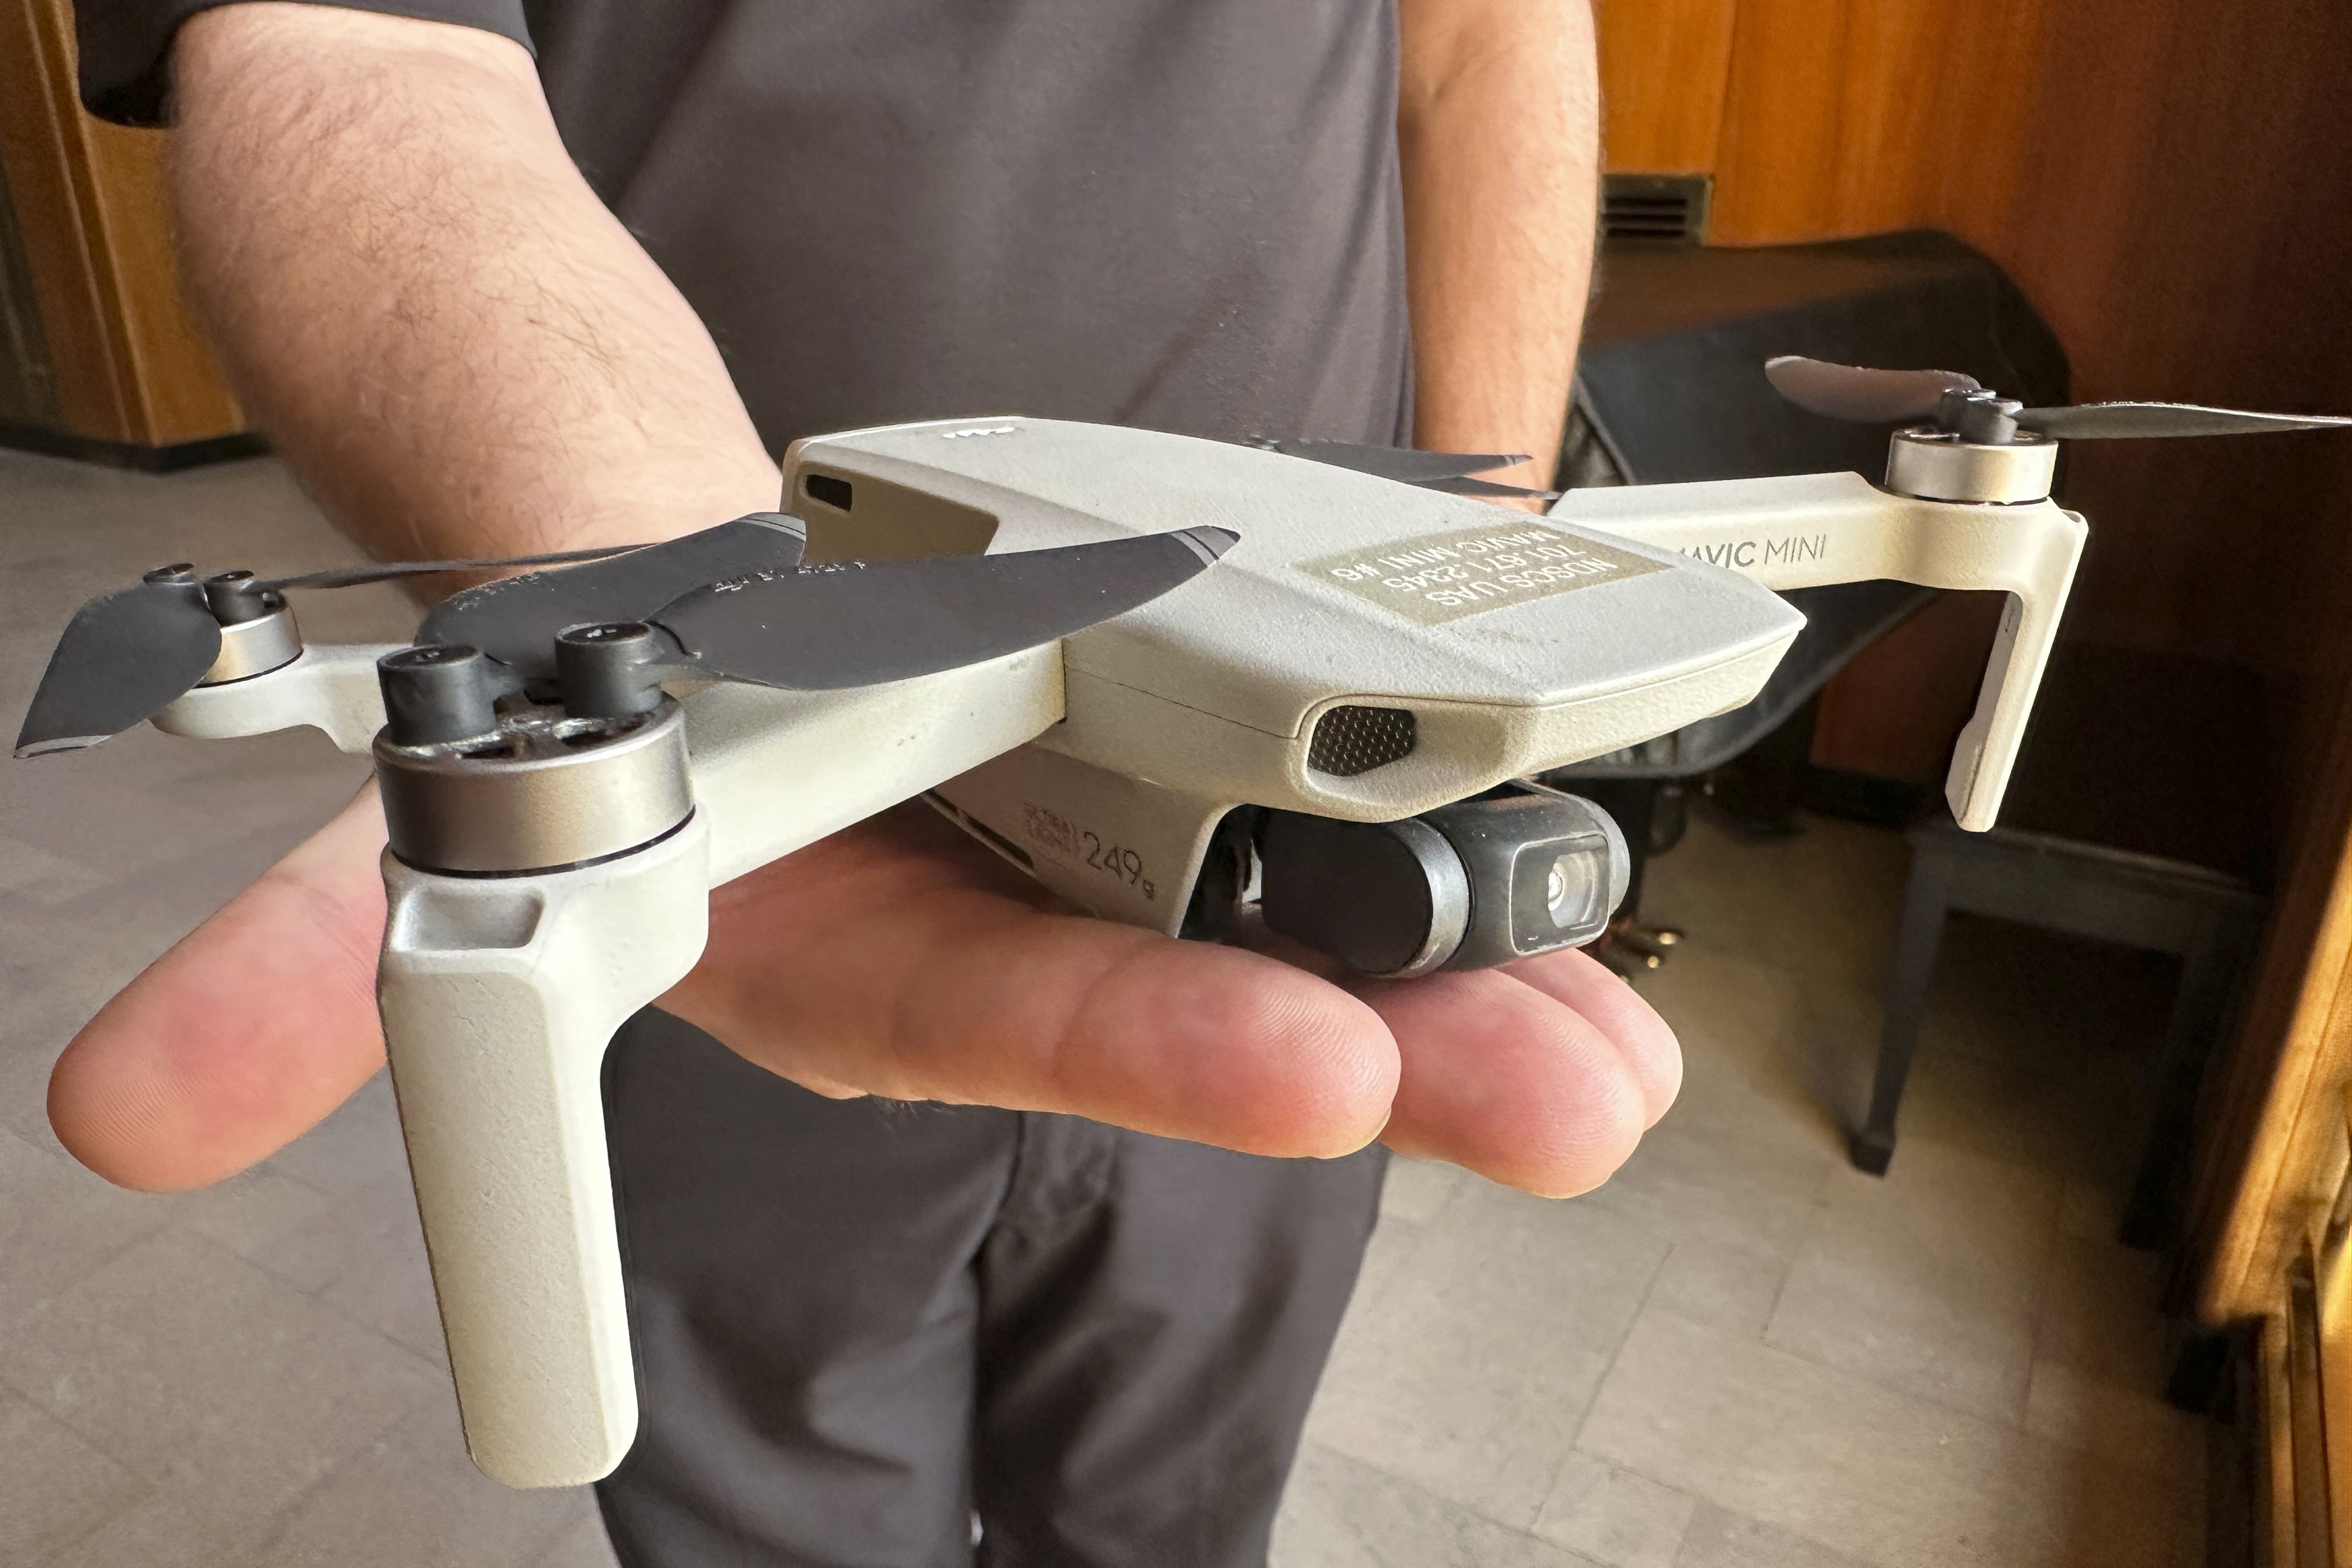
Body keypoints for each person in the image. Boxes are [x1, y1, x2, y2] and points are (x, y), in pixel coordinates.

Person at [55, 2, 1677, 1563]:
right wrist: (689, 622)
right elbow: (358, 43)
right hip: (742, 875)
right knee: (773, 1504)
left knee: (1180, 1506)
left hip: (1300, 861)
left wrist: (1478, 590)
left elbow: (1487, 37)